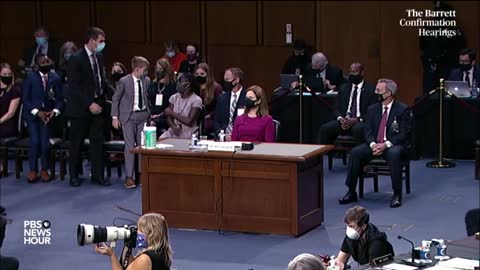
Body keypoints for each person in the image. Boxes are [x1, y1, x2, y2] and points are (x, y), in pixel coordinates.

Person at [339, 79, 411, 208]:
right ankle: (351, 191)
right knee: (355, 152)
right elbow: (367, 131)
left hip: (392, 145)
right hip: (374, 144)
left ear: (388, 93)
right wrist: (373, 144)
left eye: (378, 91)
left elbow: (403, 134)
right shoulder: (372, 109)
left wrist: (385, 144)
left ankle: (396, 194)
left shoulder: (402, 109)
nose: (375, 93)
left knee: (394, 154)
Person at [66, 27, 110, 187]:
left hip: (97, 106)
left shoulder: (99, 57)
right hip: (80, 109)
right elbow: (73, 86)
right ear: (92, 41)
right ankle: (74, 175)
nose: (103, 44)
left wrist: (115, 93)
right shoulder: (76, 59)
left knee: (97, 142)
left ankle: (98, 176)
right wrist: (88, 103)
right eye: (101, 41)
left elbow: (101, 81)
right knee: (76, 143)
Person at [22, 55, 64, 183]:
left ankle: (45, 170)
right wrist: (37, 112)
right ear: (37, 65)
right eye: (43, 62)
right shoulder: (30, 77)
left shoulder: (55, 78)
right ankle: (33, 170)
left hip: (47, 116)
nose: (46, 64)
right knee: (35, 141)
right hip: (33, 115)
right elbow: (26, 99)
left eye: (47, 61)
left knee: (45, 144)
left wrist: (55, 111)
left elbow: (60, 100)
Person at [111, 56, 151, 189]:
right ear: (138, 69)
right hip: (128, 116)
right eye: (145, 70)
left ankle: (141, 174)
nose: (146, 73)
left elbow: (148, 97)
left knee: (142, 146)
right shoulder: (124, 81)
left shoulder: (147, 81)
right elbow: (115, 99)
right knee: (130, 146)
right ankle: (130, 177)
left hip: (143, 116)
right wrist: (115, 117)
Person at [318, 63, 376, 145]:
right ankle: (324, 156)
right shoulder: (344, 88)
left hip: (359, 121)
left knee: (358, 129)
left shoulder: (370, 90)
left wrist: (357, 119)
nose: (352, 74)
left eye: (355, 72)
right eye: (351, 72)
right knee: (325, 129)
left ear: (362, 73)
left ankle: (357, 155)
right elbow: (336, 107)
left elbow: (372, 112)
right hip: (344, 120)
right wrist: (340, 118)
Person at [95, 213, 173, 270]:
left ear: (150, 234)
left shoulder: (145, 259)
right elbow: (132, 266)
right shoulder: (160, 251)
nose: (136, 232)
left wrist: (112, 255)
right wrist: (128, 246)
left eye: (140, 229)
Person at [159, 73, 202, 139]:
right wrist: (173, 127)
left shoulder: (196, 100)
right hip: (174, 129)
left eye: (180, 81)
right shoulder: (174, 97)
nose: (177, 83)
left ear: (187, 84)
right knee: (161, 139)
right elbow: (168, 116)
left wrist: (172, 113)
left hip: (189, 131)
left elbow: (189, 121)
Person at [0, 63, 21, 176]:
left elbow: (10, 113)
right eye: (4, 74)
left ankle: (1, 167)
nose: (7, 76)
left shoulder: (15, 91)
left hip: (7, 124)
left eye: (9, 74)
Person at [213, 67, 247, 138]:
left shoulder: (247, 97)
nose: (225, 82)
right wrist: (221, 135)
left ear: (237, 80)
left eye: (227, 79)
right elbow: (216, 121)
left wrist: (235, 135)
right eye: (224, 79)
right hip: (223, 137)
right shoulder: (221, 98)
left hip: (241, 137)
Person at [148, 58, 177, 136]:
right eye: (157, 68)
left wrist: (160, 115)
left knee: (152, 124)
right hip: (152, 113)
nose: (158, 71)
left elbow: (173, 104)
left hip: (166, 116)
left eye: (160, 69)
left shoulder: (172, 85)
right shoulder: (153, 84)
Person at [194, 63, 223, 135]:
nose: (199, 76)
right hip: (195, 116)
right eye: (197, 74)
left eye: (202, 74)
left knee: (205, 125)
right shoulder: (194, 87)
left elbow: (219, 107)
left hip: (210, 117)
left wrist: (209, 115)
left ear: (208, 75)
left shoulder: (216, 88)